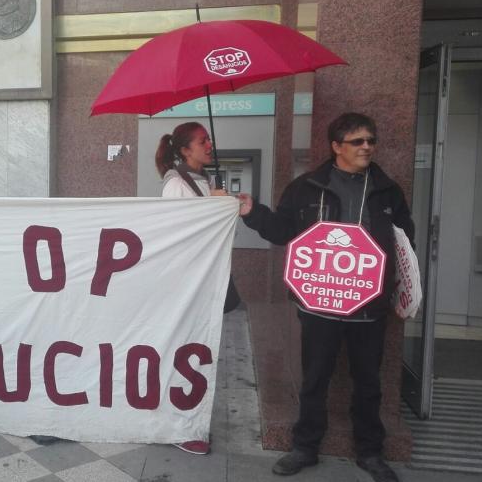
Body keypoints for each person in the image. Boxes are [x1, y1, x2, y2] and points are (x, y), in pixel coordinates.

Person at [237, 113, 414, 482]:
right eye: (357, 141)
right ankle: (305, 447)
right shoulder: (306, 187)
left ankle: (370, 452)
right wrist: (252, 212)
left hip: (370, 308)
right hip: (319, 306)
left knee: (368, 382)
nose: (367, 147)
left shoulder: (387, 191)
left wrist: (401, 292)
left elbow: (403, 243)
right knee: (314, 377)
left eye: (371, 140)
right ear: (336, 147)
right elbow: (284, 230)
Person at [156, 121, 228, 456]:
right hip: (184, 284)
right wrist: (210, 206)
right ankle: (179, 425)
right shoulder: (176, 183)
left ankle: (189, 420)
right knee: (183, 353)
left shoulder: (202, 180)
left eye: (209, 138)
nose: (209, 144)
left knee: (197, 353)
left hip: (202, 280)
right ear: (185, 150)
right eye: (202, 141)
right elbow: (174, 233)